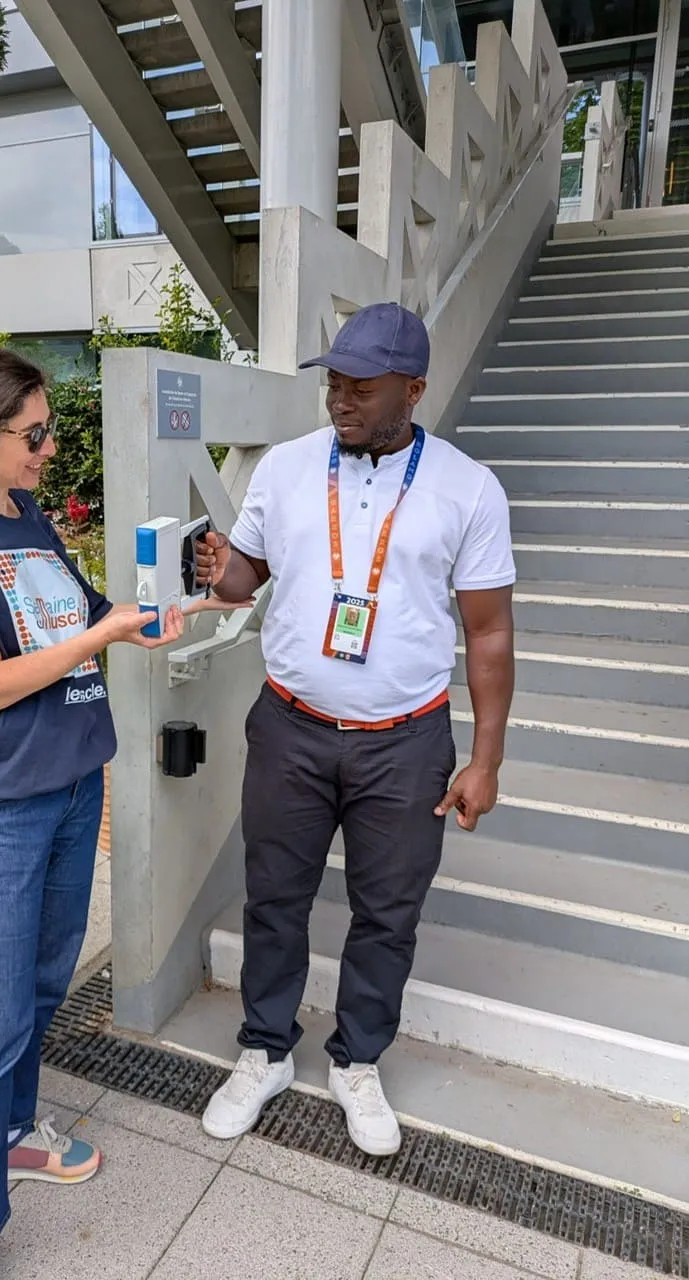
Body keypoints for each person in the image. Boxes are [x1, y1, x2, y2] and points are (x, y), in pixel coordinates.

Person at [0, 339, 188, 1280]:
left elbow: (78, 619)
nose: (50, 447)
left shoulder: (22, 514)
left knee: (42, 986)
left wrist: (141, 619)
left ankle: (17, 1131)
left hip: (71, 779)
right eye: (33, 434)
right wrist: (101, 635)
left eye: (47, 428)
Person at [196, 302, 515, 1156]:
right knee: (274, 898)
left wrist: (485, 759)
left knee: (387, 911)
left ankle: (357, 1060)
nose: (340, 399)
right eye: (333, 382)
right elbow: (245, 579)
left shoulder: (467, 488)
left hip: (405, 743)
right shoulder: (286, 468)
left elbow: (488, 632)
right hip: (290, 729)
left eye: (361, 387)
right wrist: (220, 567)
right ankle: (265, 1050)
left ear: (413, 389)